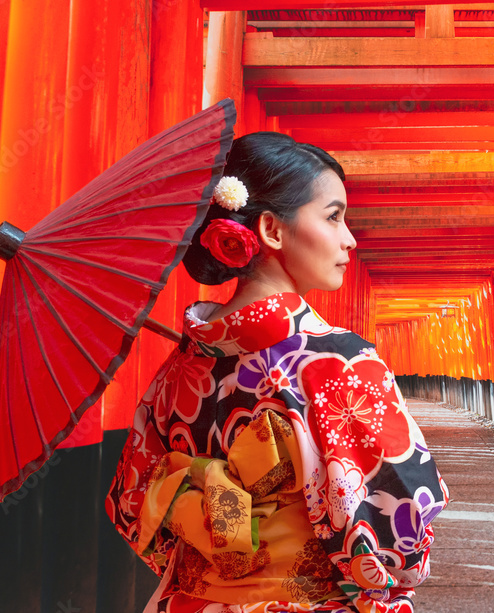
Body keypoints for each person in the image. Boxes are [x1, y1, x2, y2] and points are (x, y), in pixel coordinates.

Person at [106, 132, 448, 613]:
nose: (349, 238)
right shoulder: (337, 363)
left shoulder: (176, 370)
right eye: (333, 217)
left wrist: (223, 545)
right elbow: (401, 537)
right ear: (270, 229)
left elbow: (130, 508)